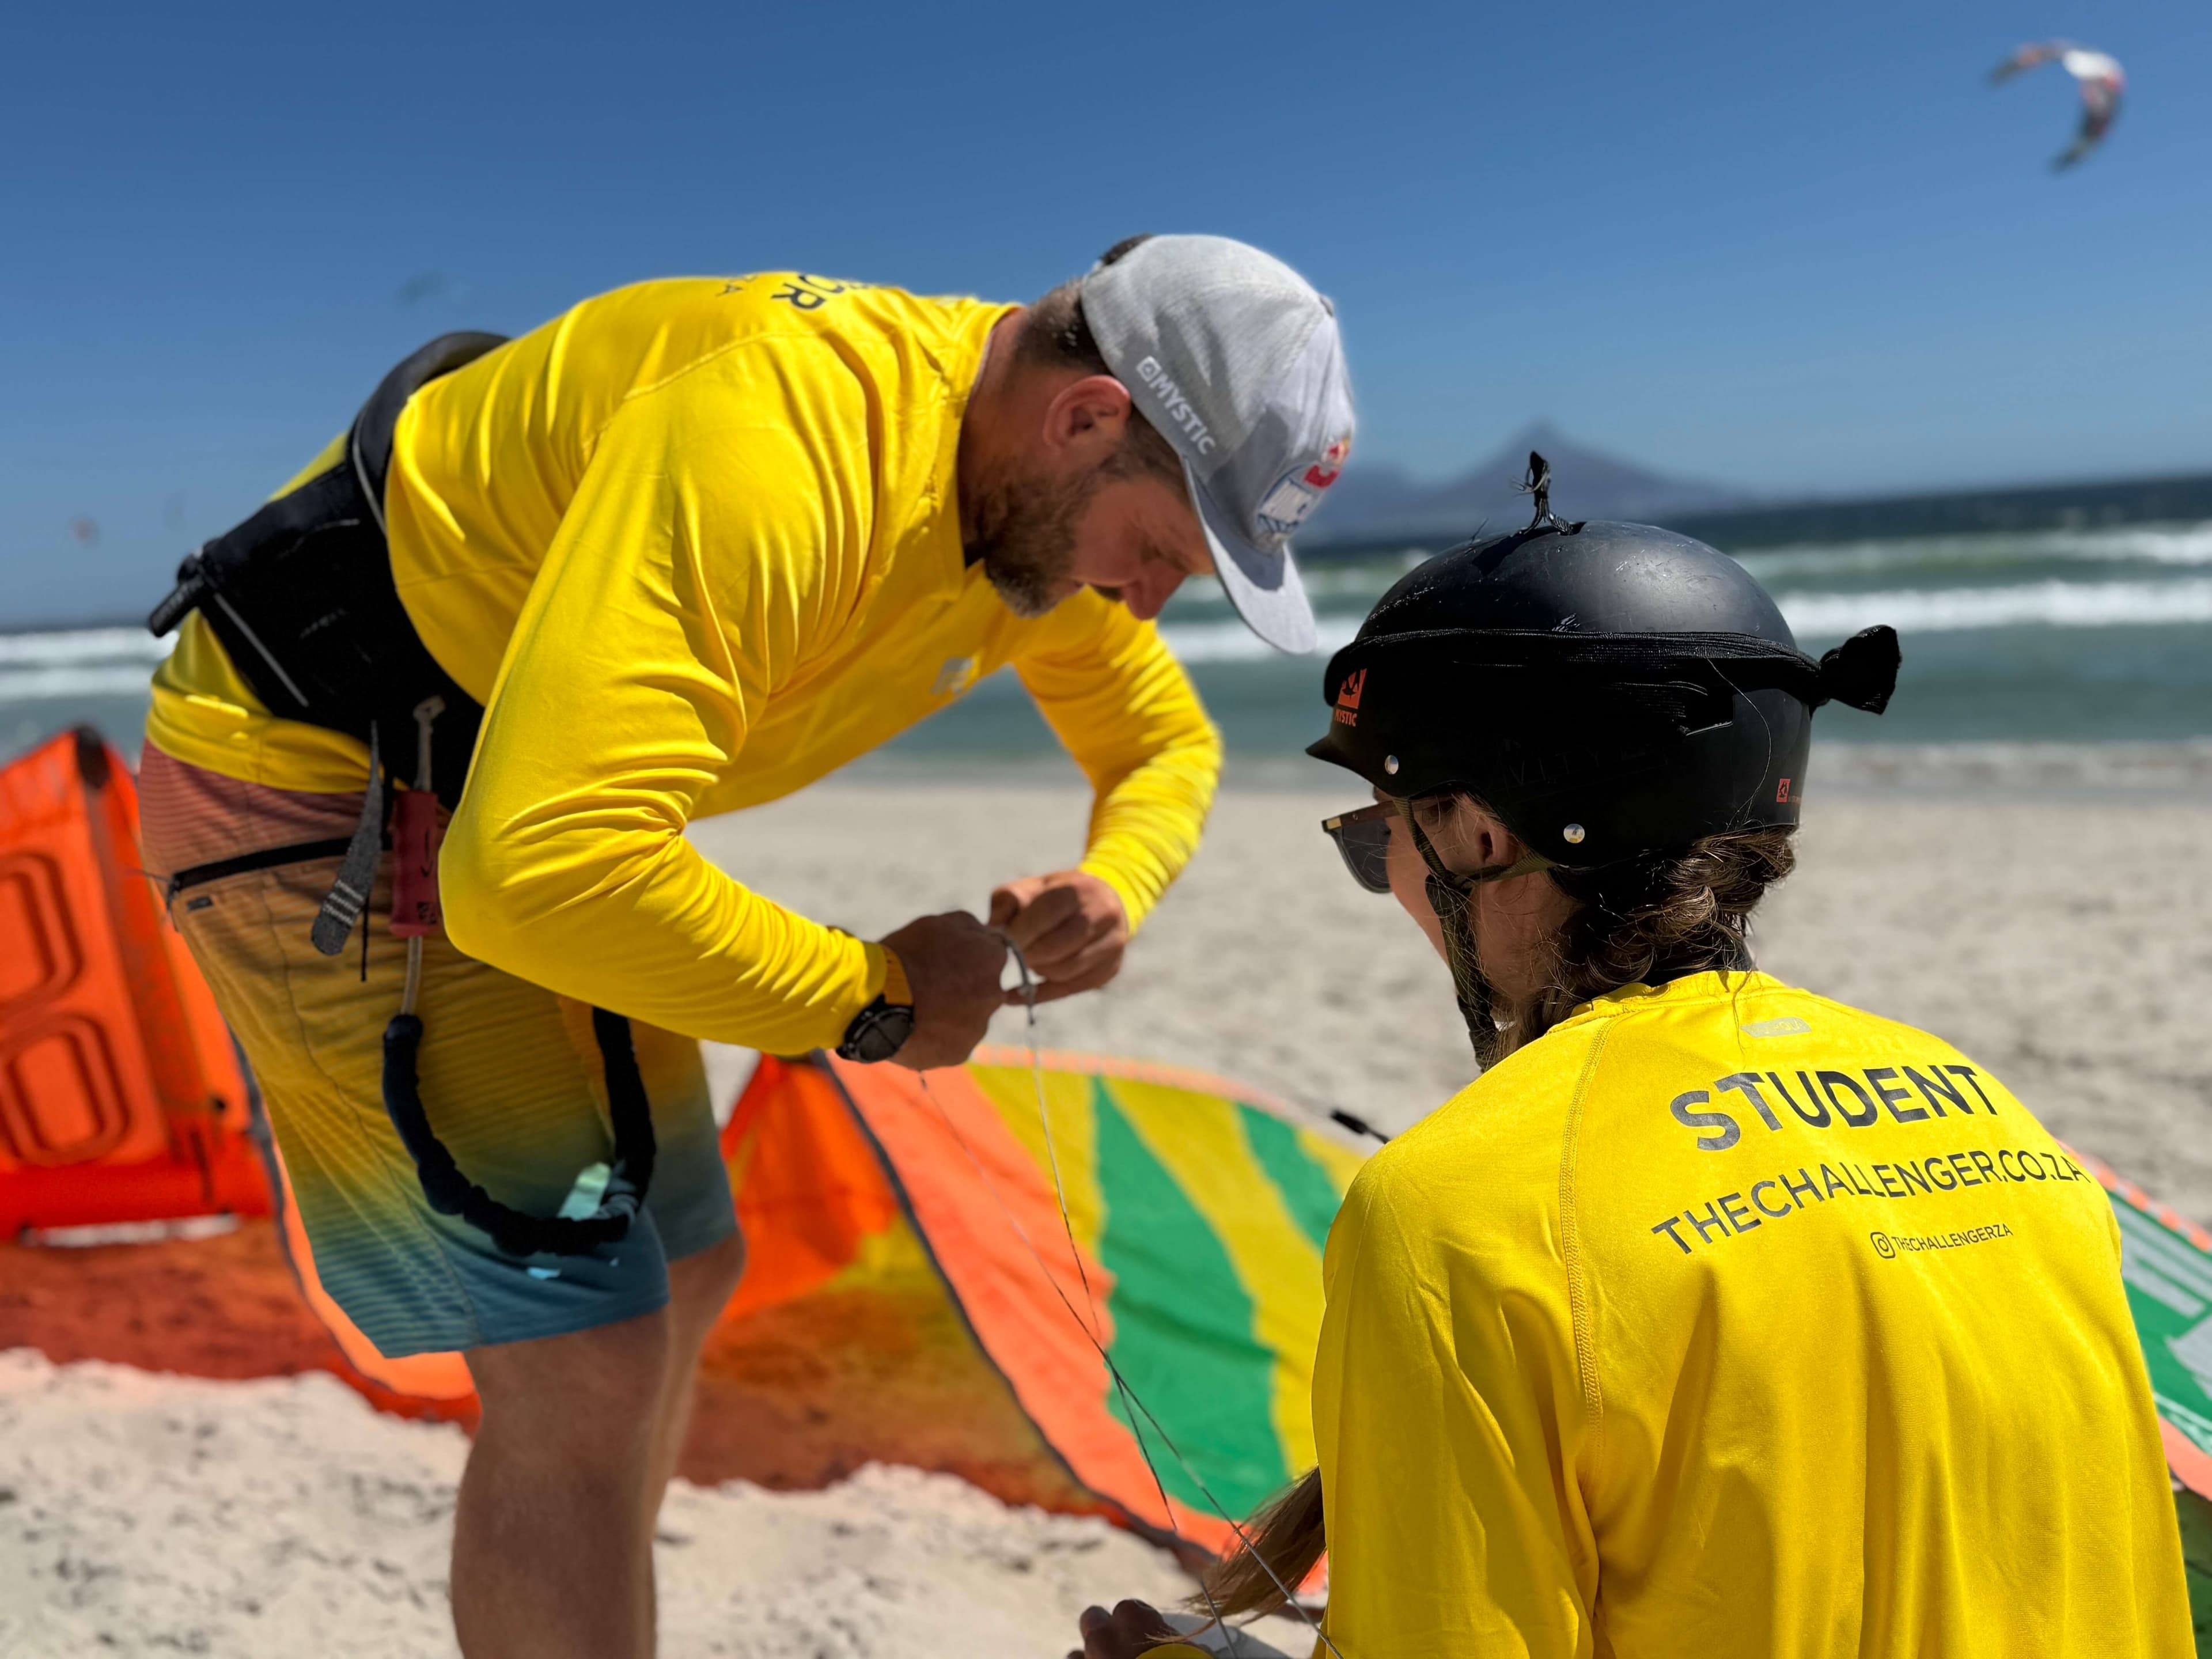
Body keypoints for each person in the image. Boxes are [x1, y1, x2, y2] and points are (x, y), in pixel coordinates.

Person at [135, 233, 1355, 1659]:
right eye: (1160, 552)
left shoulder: (1023, 516)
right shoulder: (786, 444)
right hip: (331, 779)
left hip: (519, 801)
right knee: (580, 1357)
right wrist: (881, 1000)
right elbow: (541, 871)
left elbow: (1160, 740)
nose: (1145, 601)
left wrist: (1116, 881)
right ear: (1085, 421)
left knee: (685, 1266)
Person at [1074, 467, 2191, 1658]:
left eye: (1379, 837)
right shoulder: (2004, 1131)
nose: (1385, 880)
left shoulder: (1460, 1216)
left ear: (1483, 834)